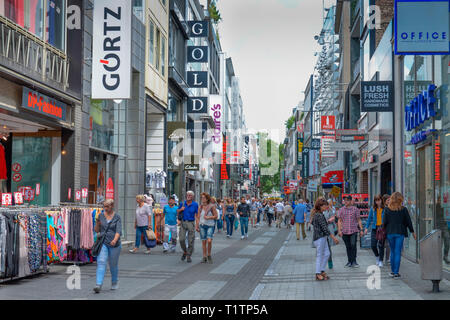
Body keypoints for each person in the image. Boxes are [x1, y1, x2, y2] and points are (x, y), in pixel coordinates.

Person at [383, 192, 416, 278]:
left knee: (393, 252)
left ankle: (393, 272)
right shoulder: (403, 209)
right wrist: (412, 232)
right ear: (400, 199)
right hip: (400, 233)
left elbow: (384, 222)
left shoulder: (387, 209)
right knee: (398, 252)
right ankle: (396, 272)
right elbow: (408, 222)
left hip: (390, 233)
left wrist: (384, 230)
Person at [93, 199, 122, 293]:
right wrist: (97, 222)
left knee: (113, 264)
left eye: (107, 206)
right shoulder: (100, 215)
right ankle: (98, 284)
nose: (105, 208)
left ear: (112, 206)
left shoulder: (117, 217)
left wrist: (114, 240)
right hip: (103, 242)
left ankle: (114, 282)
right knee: (101, 262)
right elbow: (97, 230)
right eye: (104, 206)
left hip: (114, 244)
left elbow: (118, 231)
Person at [311, 198, 339, 281]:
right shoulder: (318, 215)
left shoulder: (319, 214)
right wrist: (334, 238)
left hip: (322, 237)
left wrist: (327, 222)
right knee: (320, 255)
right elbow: (325, 229)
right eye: (325, 205)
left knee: (327, 253)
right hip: (319, 238)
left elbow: (321, 225)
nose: (326, 206)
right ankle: (317, 273)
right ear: (320, 206)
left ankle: (322, 270)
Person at [338, 195, 364, 268]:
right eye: (344, 200)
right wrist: (339, 230)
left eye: (347, 200)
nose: (345, 202)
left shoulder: (355, 209)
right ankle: (349, 261)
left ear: (350, 201)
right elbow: (339, 220)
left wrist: (361, 229)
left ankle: (354, 261)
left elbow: (359, 220)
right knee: (348, 246)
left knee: (353, 245)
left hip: (354, 230)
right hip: (345, 231)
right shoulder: (341, 210)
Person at [177, 191, 199, 263]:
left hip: (191, 223)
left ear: (192, 197)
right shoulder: (182, 203)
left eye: (190, 195)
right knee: (181, 239)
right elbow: (177, 211)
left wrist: (197, 225)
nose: (188, 196)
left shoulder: (195, 204)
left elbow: (197, 215)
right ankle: (185, 251)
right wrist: (181, 209)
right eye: (187, 195)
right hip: (183, 222)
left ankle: (189, 255)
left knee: (191, 241)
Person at [196, 193, 218, 264]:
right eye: (201, 198)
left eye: (204, 198)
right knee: (203, 241)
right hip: (202, 225)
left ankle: (209, 255)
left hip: (210, 225)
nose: (202, 199)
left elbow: (216, 216)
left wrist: (208, 217)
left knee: (209, 240)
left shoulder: (212, 206)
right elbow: (198, 217)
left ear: (207, 199)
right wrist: (197, 225)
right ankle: (204, 256)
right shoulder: (200, 207)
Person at [364, 195, 386, 267]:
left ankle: (380, 260)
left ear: (381, 200)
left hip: (382, 228)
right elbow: (369, 218)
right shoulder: (373, 209)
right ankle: (377, 256)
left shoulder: (385, 208)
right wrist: (366, 228)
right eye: (376, 200)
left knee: (381, 246)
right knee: (373, 245)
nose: (377, 202)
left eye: (379, 200)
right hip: (375, 228)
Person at [323, 199, 337, 269]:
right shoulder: (322, 211)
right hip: (323, 231)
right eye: (325, 205)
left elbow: (333, 218)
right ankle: (323, 263)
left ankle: (330, 262)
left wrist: (328, 221)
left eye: (327, 204)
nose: (326, 206)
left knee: (328, 247)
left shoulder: (331, 211)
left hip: (329, 230)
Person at [382, 194, 391, 265]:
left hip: (390, 228)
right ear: (384, 201)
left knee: (388, 244)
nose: (390, 201)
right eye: (388, 200)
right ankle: (382, 258)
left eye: (390, 199)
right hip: (383, 228)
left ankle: (387, 258)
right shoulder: (383, 209)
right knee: (383, 244)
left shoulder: (391, 208)